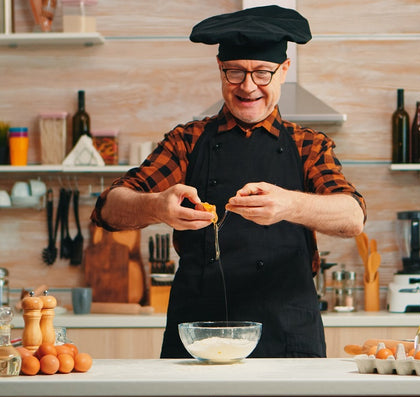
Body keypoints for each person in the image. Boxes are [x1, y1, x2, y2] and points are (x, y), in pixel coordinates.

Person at [91, 5, 366, 358]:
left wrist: (290, 204)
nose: (248, 86)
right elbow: (108, 208)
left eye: (262, 73)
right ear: (220, 70)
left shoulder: (308, 145)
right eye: (235, 72)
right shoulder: (186, 141)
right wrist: (157, 206)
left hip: (289, 334)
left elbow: (353, 216)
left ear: (284, 71)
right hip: (197, 336)